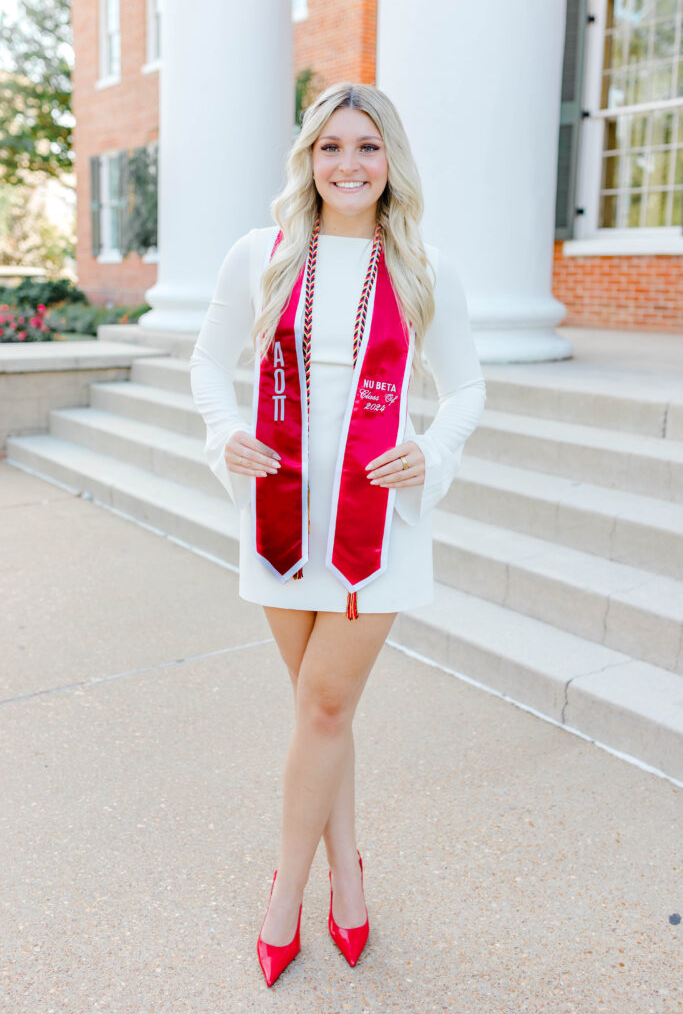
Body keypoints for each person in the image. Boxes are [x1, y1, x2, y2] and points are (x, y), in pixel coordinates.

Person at [189, 81, 487, 986]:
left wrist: (429, 453)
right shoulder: (261, 255)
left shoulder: (425, 268)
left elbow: (466, 387)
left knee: (321, 707)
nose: (348, 165)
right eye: (330, 147)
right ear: (307, 159)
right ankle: (347, 875)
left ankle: (287, 892)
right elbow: (207, 360)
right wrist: (221, 432)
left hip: (374, 522)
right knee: (325, 712)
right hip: (278, 516)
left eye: (365, 147)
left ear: (390, 160)